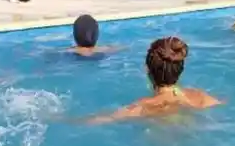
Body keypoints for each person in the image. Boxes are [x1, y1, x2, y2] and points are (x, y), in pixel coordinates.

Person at [87, 37, 221, 123]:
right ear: (180, 69)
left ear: (147, 69)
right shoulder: (201, 97)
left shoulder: (142, 107)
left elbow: (102, 119)